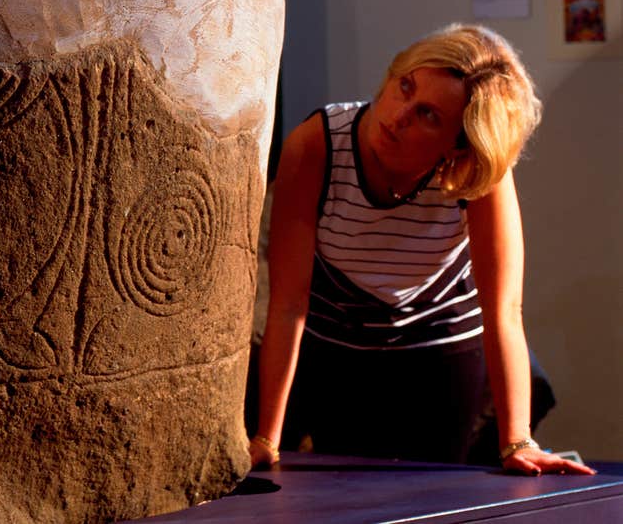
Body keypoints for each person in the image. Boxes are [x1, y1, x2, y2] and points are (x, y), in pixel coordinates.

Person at [249, 24, 595, 475]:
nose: (398, 115)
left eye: (429, 115)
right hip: (334, 340)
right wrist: (266, 439)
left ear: (456, 148)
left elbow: (503, 311)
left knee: (433, 489)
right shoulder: (317, 144)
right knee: (336, 488)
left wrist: (517, 443)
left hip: (441, 345)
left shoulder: (476, 174)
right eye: (404, 87)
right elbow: (289, 304)